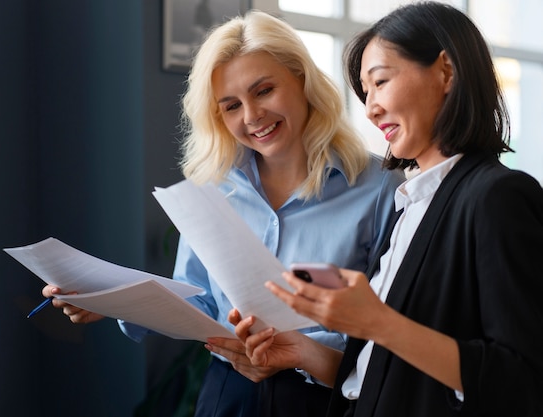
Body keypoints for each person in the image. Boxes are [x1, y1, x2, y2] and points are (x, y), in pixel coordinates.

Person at [42, 10, 405, 417]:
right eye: (231, 106)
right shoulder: (212, 188)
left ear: (303, 81)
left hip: (327, 396)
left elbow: (390, 325)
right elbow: (196, 301)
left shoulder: (381, 187)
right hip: (227, 394)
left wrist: (304, 352)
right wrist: (113, 303)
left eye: (264, 90)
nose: (251, 117)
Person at [208, 2, 543, 417]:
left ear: (446, 72)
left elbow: (522, 380)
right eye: (365, 93)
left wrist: (376, 322)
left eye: (380, 82)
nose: (370, 109)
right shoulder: (413, 204)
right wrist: (304, 352)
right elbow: (381, 377)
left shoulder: (499, 196)